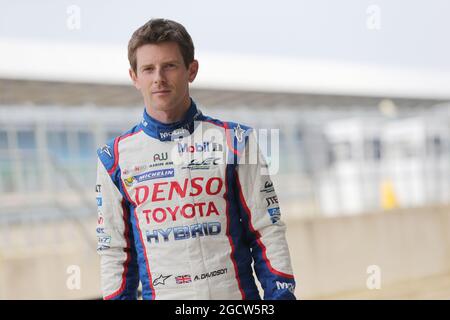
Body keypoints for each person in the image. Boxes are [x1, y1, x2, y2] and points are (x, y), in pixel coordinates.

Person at [95, 18, 297, 300]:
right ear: (134, 77)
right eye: (148, 69)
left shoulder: (237, 141)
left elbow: (267, 231)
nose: (159, 78)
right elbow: (115, 251)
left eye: (169, 66)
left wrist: (281, 296)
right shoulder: (113, 158)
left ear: (192, 70)